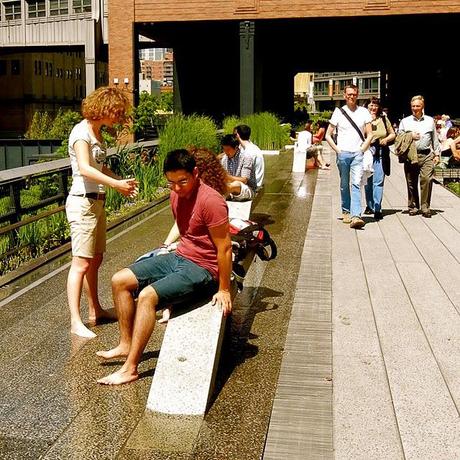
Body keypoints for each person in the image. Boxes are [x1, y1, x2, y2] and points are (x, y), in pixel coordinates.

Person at [97, 149, 232, 385]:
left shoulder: (211, 201)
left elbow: (225, 248)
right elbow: (185, 230)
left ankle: (131, 368)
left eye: (183, 181)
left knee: (148, 296)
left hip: (203, 268)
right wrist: (166, 247)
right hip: (179, 255)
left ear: (196, 173)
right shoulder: (175, 195)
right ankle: (125, 343)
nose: (177, 188)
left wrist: (224, 289)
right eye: (171, 183)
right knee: (119, 280)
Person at [65, 86, 138, 339]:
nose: (118, 117)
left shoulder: (97, 133)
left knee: (95, 260)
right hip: (82, 202)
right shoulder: (81, 132)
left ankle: (95, 310)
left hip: (97, 202)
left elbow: (101, 168)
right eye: (117, 112)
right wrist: (116, 185)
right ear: (105, 109)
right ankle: (76, 320)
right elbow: (85, 169)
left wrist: (121, 182)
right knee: (81, 263)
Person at [325, 84, 373, 229]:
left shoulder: (364, 112)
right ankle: (346, 211)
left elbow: (370, 134)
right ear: (345, 96)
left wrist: (362, 149)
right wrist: (338, 150)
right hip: (343, 153)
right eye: (349, 94)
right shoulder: (339, 112)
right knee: (344, 184)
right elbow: (328, 134)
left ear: (357, 95)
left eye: (354, 94)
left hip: (357, 154)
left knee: (356, 183)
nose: (351, 96)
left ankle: (356, 216)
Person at [398, 95, 440, 218]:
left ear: (422, 106)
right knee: (411, 182)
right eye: (413, 106)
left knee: (427, 180)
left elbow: (434, 139)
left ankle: (425, 207)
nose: (415, 108)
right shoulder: (405, 121)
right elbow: (399, 138)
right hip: (411, 156)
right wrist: (410, 135)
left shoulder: (429, 120)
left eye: (417, 106)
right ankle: (413, 206)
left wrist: (437, 154)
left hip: (426, 154)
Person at [364, 97, 396, 220]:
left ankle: (377, 208)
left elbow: (392, 133)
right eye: (371, 105)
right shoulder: (363, 119)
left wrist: (386, 140)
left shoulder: (383, 118)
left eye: (376, 105)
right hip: (367, 152)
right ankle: (369, 205)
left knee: (378, 181)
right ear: (367, 106)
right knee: (368, 181)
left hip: (381, 152)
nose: (373, 108)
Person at [221, 134, 257, 201]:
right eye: (224, 149)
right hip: (231, 188)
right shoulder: (224, 159)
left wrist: (227, 177)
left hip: (247, 189)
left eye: (228, 150)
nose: (226, 152)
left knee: (235, 184)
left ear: (236, 148)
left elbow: (244, 180)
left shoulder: (246, 158)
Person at [233, 124, 265, 190]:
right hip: (255, 183)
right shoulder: (251, 147)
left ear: (238, 135)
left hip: (253, 187)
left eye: (234, 135)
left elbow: (245, 178)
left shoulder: (248, 153)